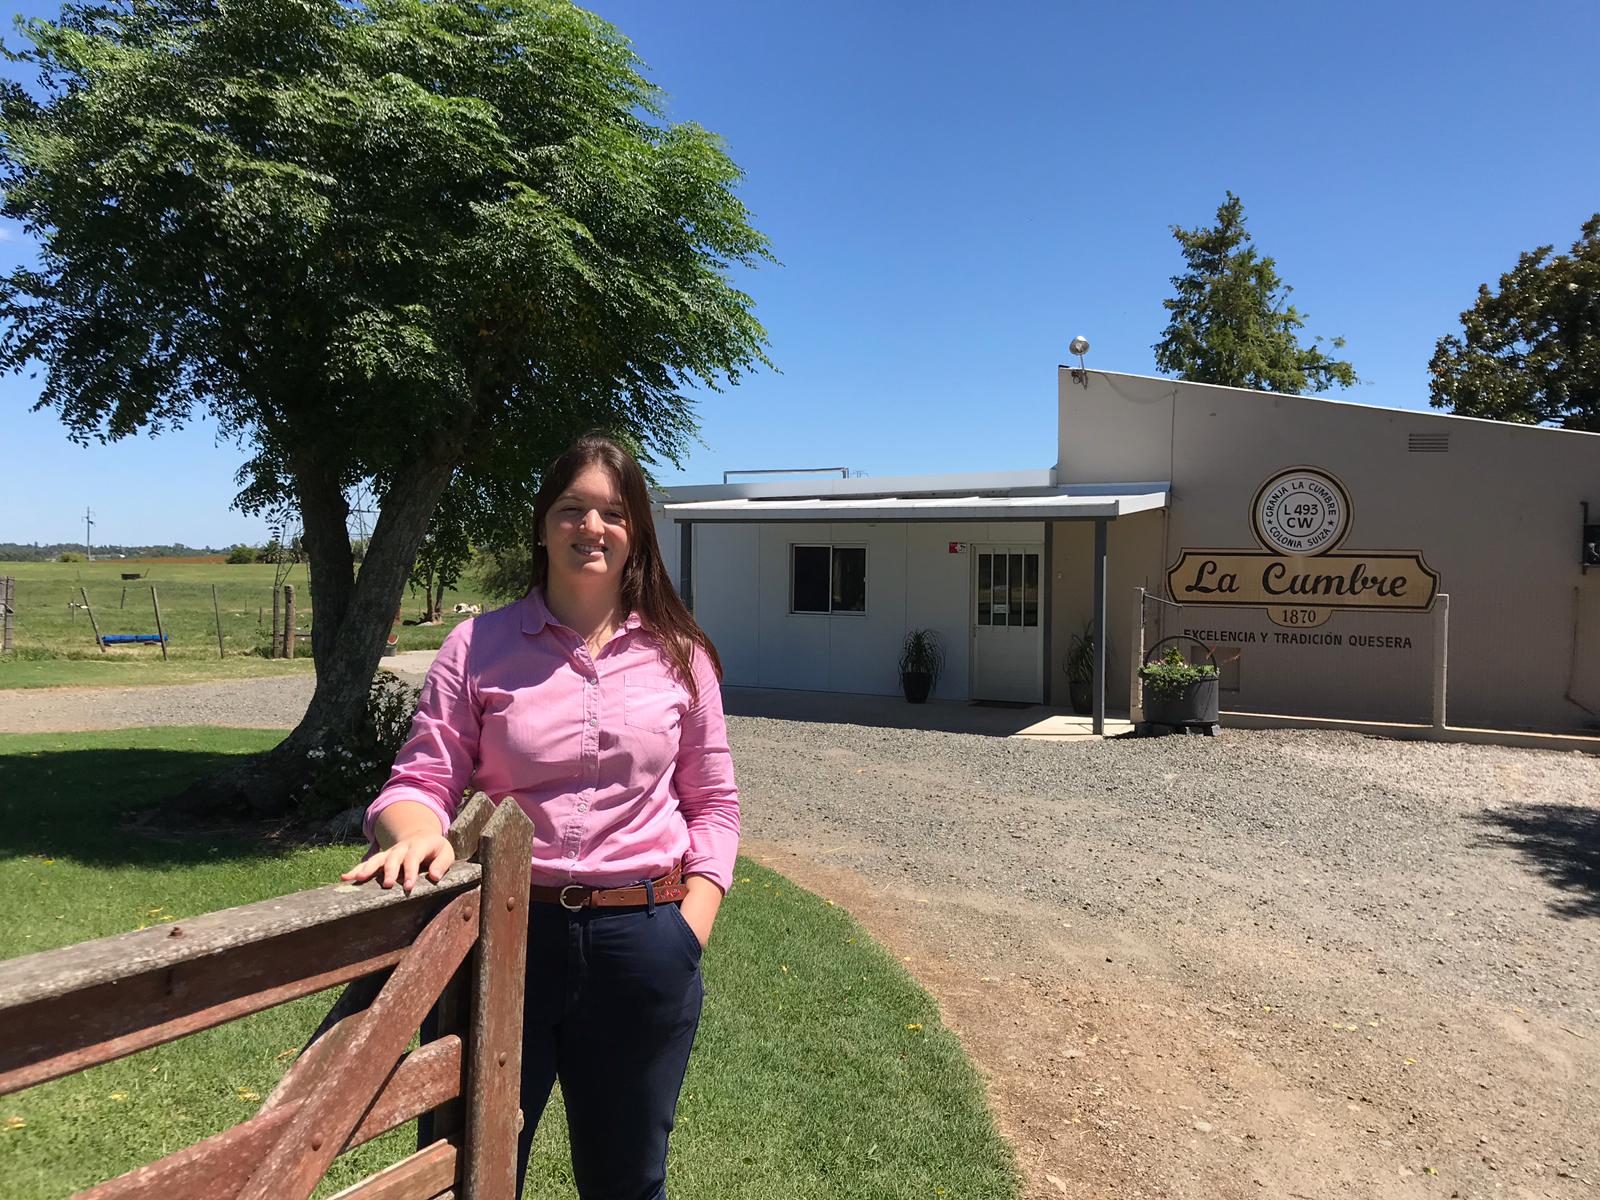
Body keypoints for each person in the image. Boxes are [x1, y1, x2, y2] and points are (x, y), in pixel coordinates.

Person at [343, 432, 739, 1200]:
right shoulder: (477, 645)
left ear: (637, 533)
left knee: (628, 1184)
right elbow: (419, 779)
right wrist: (417, 834)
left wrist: (689, 927)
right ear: (542, 526)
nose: (592, 527)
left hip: (643, 943)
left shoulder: (682, 654)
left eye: (613, 513)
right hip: (502, 938)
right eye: (572, 509)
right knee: (472, 1176)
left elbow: (715, 805)